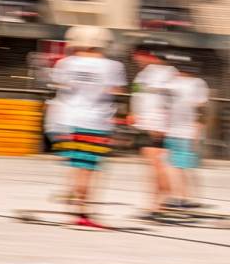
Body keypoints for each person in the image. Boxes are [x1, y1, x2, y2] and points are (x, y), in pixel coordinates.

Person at [48, 26, 126, 229]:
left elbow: (60, 86)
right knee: (90, 168)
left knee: (77, 165)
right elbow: (115, 89)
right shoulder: (112, 66)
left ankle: (73, 199)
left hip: (66, 120)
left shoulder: (65, 63)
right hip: (95, 122)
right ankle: (82, 211)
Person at [128, 43, 178, 218]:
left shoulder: (165, 73)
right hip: (145, 124)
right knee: (154, 166)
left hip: (156, 125)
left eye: (137, 55)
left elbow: (169, 100)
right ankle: (158, 204)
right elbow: (139, 97)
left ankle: (163, 202)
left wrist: (161, 125)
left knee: (157, 165)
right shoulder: (143, 75)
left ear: (147, 55)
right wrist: (133, 114)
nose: (135, 59)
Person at [163, 56, 210, 210]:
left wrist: (197, 129)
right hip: (181, 130)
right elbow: (201, 109)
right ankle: (185, 197)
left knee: (177, 166)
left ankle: (183, 197)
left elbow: (200, 108)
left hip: (182, 131)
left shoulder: (186, 83)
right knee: (182, 166)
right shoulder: (195, 83)